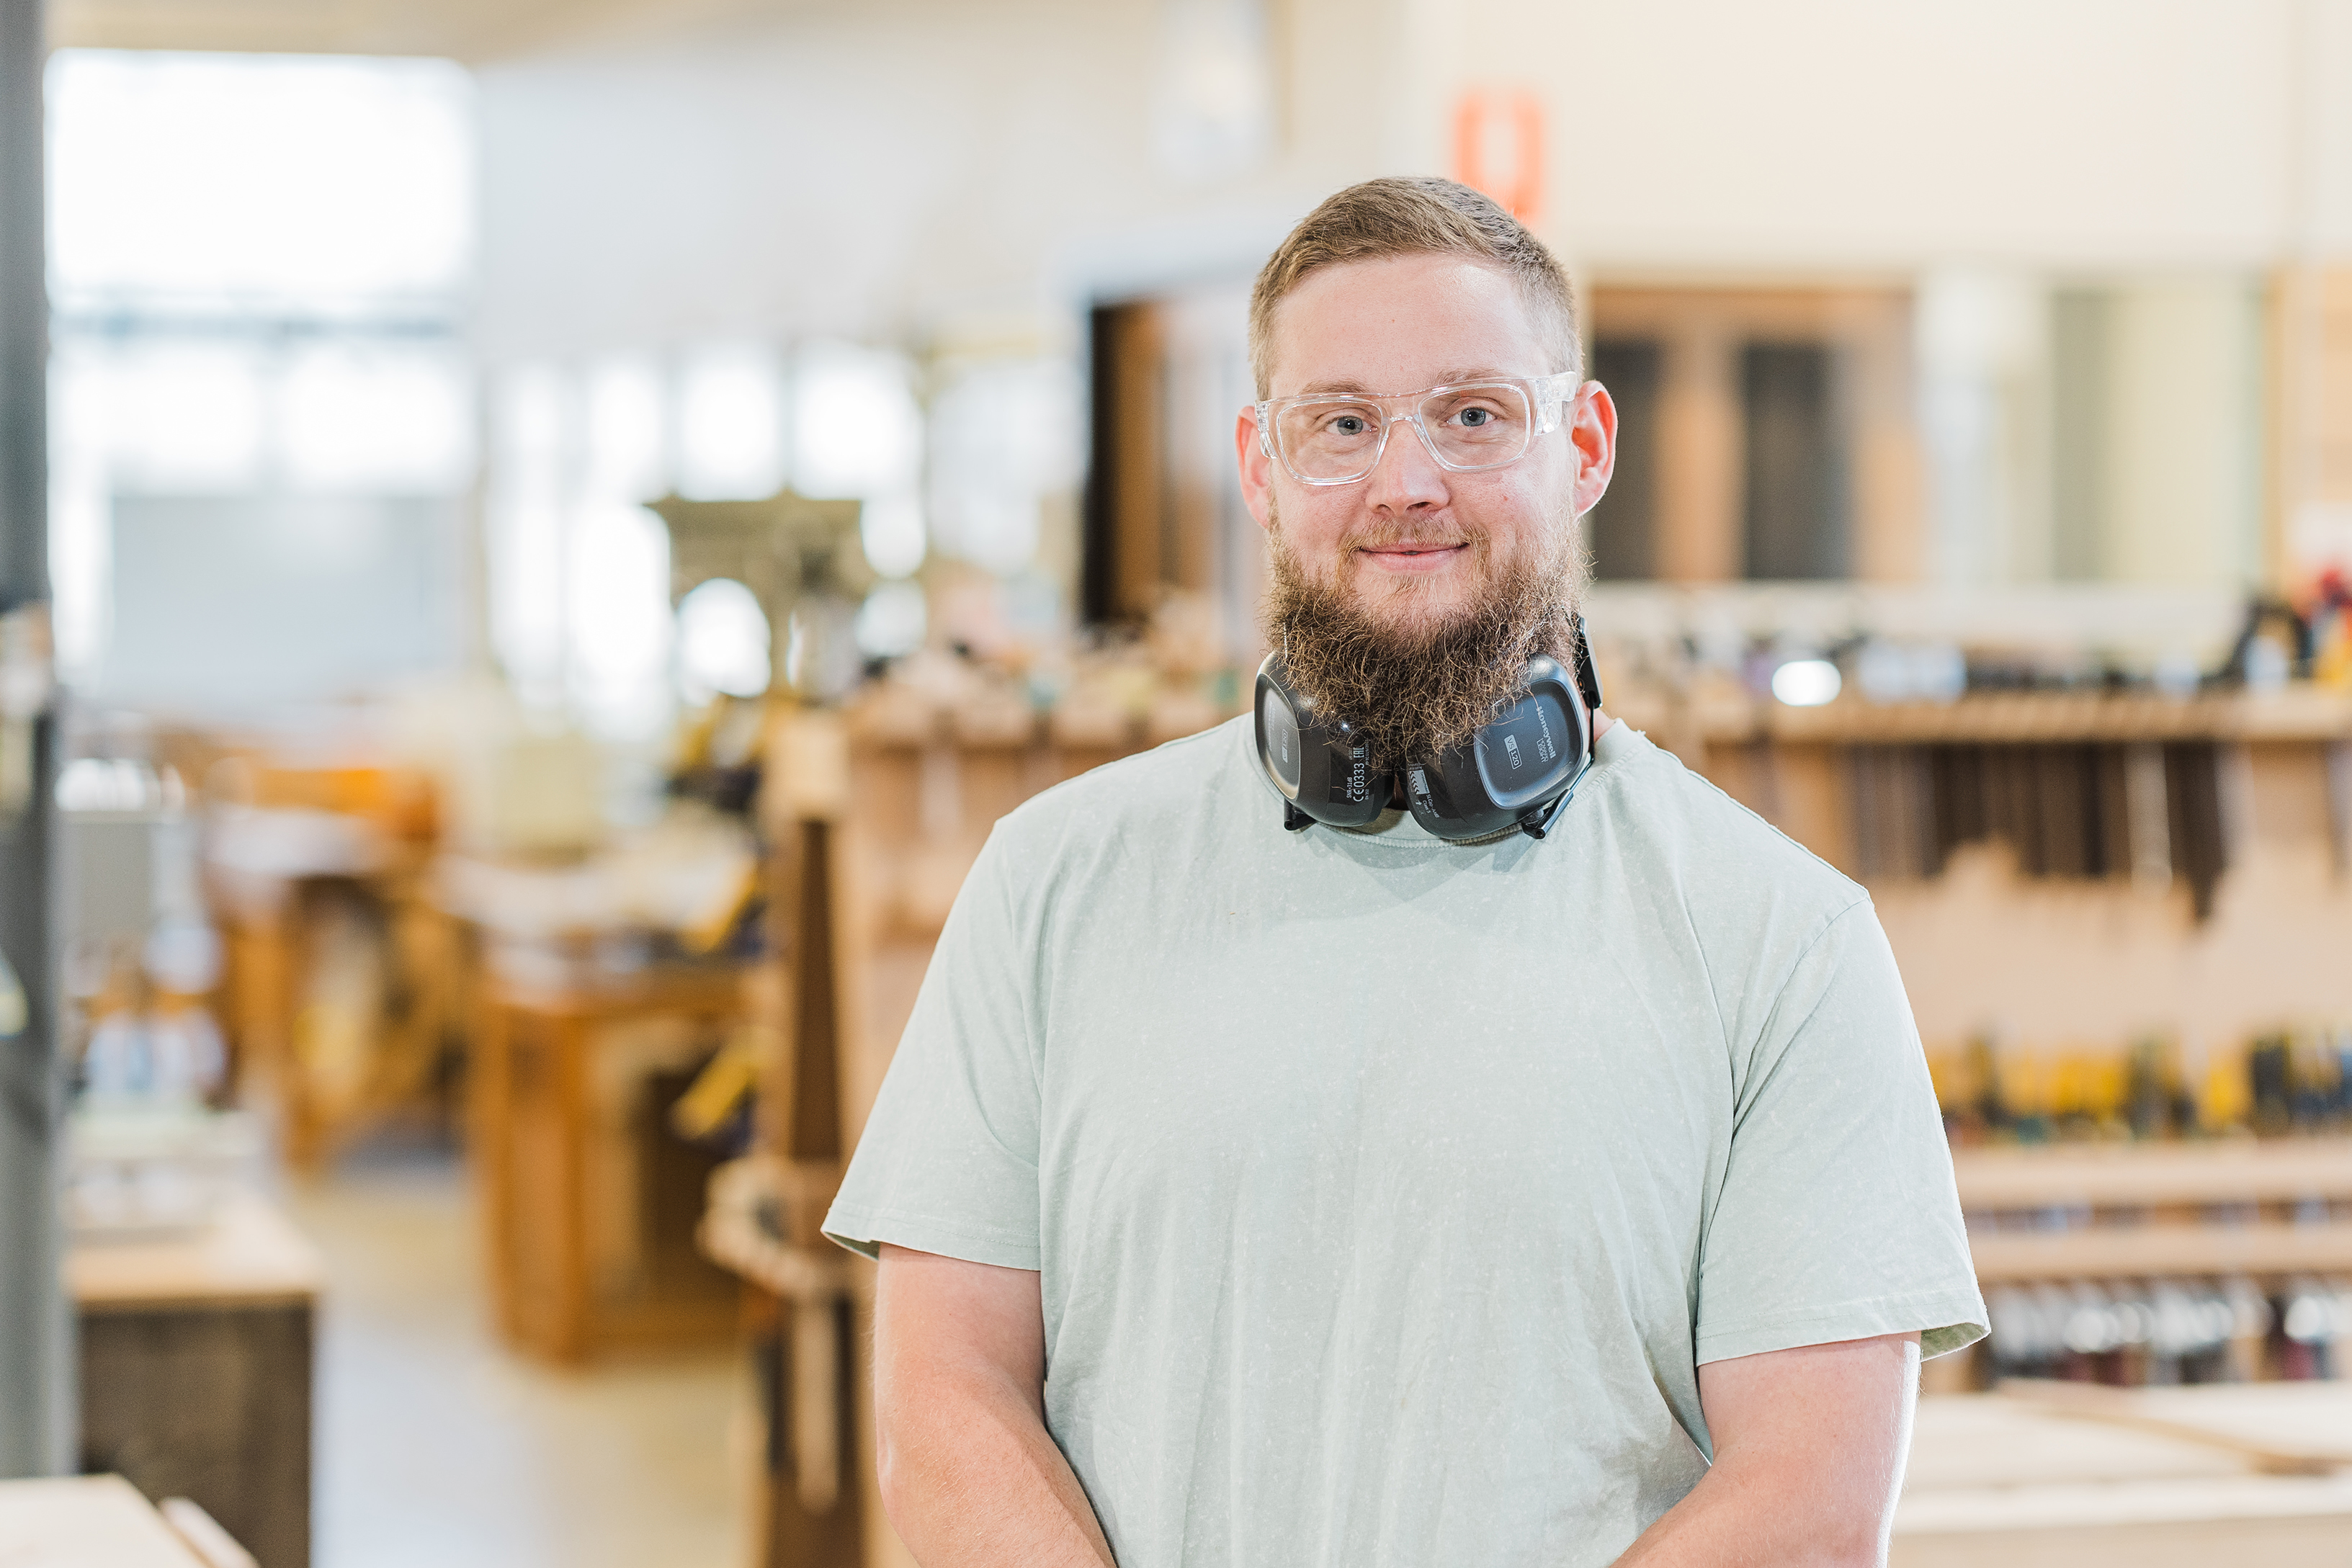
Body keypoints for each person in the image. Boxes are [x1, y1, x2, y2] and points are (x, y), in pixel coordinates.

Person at [823, 176, 1985, 1567]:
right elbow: (943, 1409)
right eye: (1344, 423)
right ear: (1260, 465)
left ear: (1585, 444)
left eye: (1474, 414)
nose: (1406, 481)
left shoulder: (1784, 943)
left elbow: (1807, 1497)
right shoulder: (1047, 887)